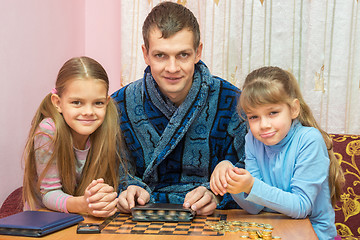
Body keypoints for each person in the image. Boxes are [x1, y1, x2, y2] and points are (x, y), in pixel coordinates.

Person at [112, 1, 247, 215]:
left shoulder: (233, 101)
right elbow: (110, 166)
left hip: (214, 219)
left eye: (183, 55)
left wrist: (218, 194)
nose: (172, 68)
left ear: (197, 52)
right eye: (160, 55)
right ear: (145, 54)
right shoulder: (119, 104)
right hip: (141, 218)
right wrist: (127, 189)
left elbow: (255, 167)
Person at [210, 66, 345, 239]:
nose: (264, 125)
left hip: (315, 235)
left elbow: (301, 207)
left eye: (273, 113)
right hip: (275, 231)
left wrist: (251, 185)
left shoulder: (309, 140)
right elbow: (254, 207)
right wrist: (231, 178)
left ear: (294, 109)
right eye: (253, 117)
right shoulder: (253, 139)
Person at [23, 56, 126, 217]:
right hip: (43, 221)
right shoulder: (49, 131)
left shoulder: (107, 127)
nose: (88, 112)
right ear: (57, 103)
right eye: (77, 102)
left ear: (106, 102)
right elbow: (49, 194)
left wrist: (104, 198)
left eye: (98, 103)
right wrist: (84, 204)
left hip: (81, 219)